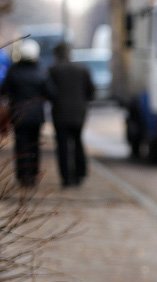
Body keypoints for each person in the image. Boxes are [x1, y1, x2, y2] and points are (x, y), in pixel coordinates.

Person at [45, 42, 95, 187]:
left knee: (62, 145)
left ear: (57, 54)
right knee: (78, 141)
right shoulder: (82, 69)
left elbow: (48, 92)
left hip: (60, 113)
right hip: (79, 112)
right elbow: (91, 92)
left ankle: (66, 177)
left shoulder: (53, 70)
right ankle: (80, 173)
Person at [0, 39, 47, 186]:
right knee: (34, 145)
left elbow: (4, 91)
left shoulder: (14, 71)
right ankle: (33, 174)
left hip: (19, 114)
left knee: (21, 145)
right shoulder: (40, 71)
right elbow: (50, 91)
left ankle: (23, 175)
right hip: (36, 116)